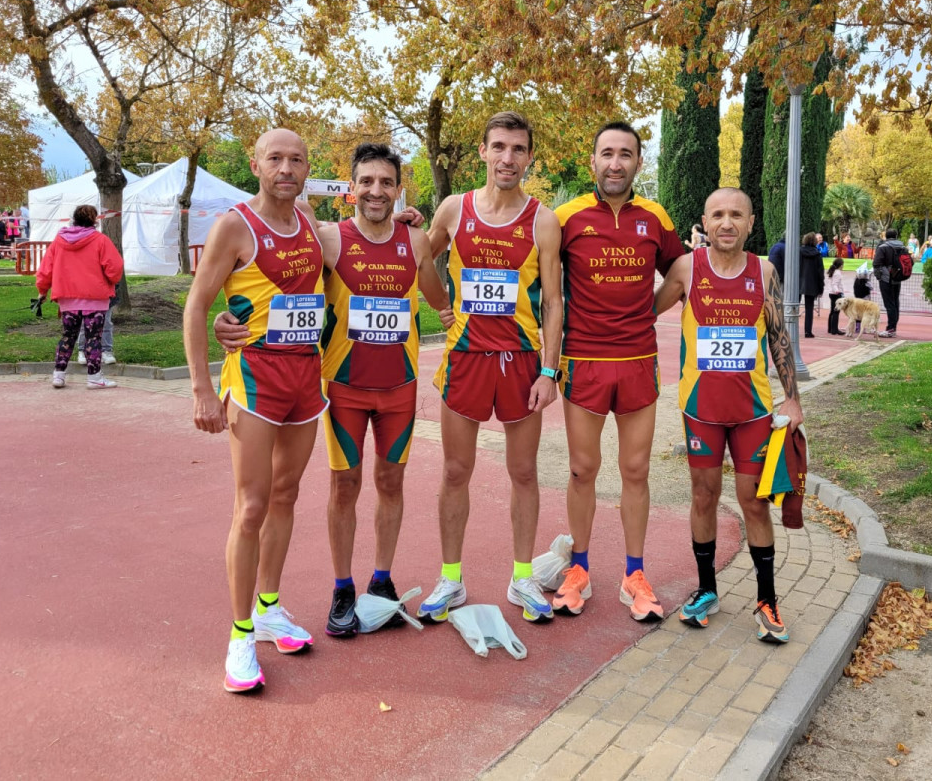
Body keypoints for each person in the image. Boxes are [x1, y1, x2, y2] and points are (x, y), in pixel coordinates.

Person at [215, 143, 448, 638]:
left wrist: (452, 306)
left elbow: (436, 295)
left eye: (387, 182)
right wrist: (228, 319)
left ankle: (381, 581)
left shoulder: (417, 240)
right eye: (367, 182)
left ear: (398, 188)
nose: (376, 191)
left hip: (399, 388)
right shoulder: (326, 239)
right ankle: (342, 586)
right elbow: (277, 284)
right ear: (351, 188)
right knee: (345, 485)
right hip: (342, 386)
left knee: (391, 484)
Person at [183, 128, 334, 694]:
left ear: (306, 167)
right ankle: (240, 635)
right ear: (256, 164)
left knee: (287, 494)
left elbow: (363, 237)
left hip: (305, 379)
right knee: (251, 506)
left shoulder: (313, 225)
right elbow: (198, 307)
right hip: (253, 381)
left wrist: (408, 219)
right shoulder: (234, 226)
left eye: (296, 159)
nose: (286, 169)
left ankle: (270, 607)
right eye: (275, 158)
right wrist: (201, 389)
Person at [416, 112, 564, 625]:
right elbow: (417, 259)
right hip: (465, 359)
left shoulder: (543, 219)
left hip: (522, 363)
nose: (508, 158)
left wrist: (550, 371)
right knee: (456, 470)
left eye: (518, 149)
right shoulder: (455, 210)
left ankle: (523, 575)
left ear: (529, 158)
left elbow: (553, 303)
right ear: (482, 151)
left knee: (523, 471)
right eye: (499, 147)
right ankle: (451, 579)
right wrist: (439, 305)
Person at [653, 188, 804, 642]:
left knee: (754, 503)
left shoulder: (764, 270)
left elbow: (779, 337)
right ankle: (706, 590)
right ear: (704, 220)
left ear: (751, 222)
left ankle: (766, 599)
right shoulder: (686, 268)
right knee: (703, 496)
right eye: (717, 214)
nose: (726, 222)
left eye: (735, 214)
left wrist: (793, 399)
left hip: (752, 411)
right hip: (700, 408)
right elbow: (643, 313)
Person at [550, 121, 686, 623]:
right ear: (593, 161)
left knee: (636, 470)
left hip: (637, 362)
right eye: (606, 153)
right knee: (583, 469)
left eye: (625, 154)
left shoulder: (654, 216)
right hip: (583, 361)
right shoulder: (566, 216)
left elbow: (683, 269)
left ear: (638, 163)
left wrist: (648, 310)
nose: (615, 163)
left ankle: (634, 574)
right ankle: (579, 568)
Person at [35, 205, 124, 390]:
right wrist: (111, 280)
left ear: (73, 218)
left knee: (67, 336)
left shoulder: (59, 241)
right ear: (94, 220)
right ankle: (94, 377)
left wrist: (42, 290)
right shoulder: (101, 240)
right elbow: (114, 268)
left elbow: (46, 268)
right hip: (96, 298)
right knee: (93, 338)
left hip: (68, 298)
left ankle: (58, 375)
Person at [873, 228, 910, 338]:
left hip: (886, 278)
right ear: (896, 235)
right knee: (895, 302)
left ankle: (890, 329)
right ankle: (893, 327)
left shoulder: (883, 247)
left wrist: (878, 276)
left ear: (886, 236)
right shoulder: (903, 247)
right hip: (897, 277)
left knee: (889, 303)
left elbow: (876, 263)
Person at [799, 232, 825, 338]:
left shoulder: (799, 251)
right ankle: (808, 331)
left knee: (793, 306)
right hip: (811, 283)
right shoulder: (817, 254)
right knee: (809, 309)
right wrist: (820, 287)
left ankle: (790, 328)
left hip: (798, 282)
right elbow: (820, 272)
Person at [825, 257, 845, 335]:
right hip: (836, 293)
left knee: (832, 311)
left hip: (832, 293)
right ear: (840, 265)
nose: (843, 266)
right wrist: (837, 291)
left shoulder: (834, 272)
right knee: (836, 312)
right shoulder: (838, 273)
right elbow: (835, 283)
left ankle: (830, 328)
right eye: (843, 264)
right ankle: (834, 329)